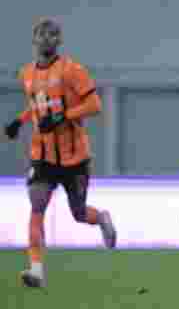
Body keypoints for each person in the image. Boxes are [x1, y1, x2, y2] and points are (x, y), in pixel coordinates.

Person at [3, 18, 117, 288]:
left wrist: (63, 116)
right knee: (37, 206)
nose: (46, 38)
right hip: (42, 156)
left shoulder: (72, 70)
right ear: (34, 39)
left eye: (52, 34)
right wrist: (19, 121)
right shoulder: (26, 73)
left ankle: (101, 218)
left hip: (74, 157)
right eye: (42, 34)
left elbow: (94, 104)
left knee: (79, 213)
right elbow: (38, 106)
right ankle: (36, 270)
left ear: (59, 40)